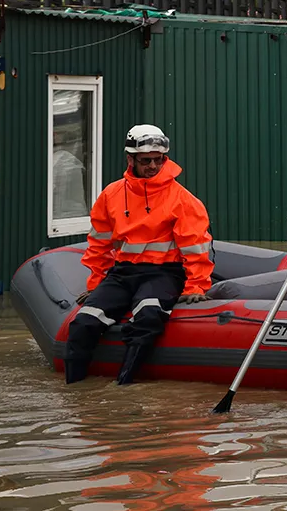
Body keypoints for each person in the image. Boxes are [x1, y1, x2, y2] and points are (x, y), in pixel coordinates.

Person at [69, 125, 213, 385]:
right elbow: (99, 246)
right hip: (122, 273)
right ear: (130, 159)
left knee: (147, 317)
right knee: (83, 323)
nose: (153, 166)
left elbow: (196, 248)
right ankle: (75, 392)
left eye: (159, 160)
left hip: (164, 272)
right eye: (146, 161)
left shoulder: (182, 199)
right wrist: (96, 284)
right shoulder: (111, 195)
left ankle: (123, 388)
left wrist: (195, 287)